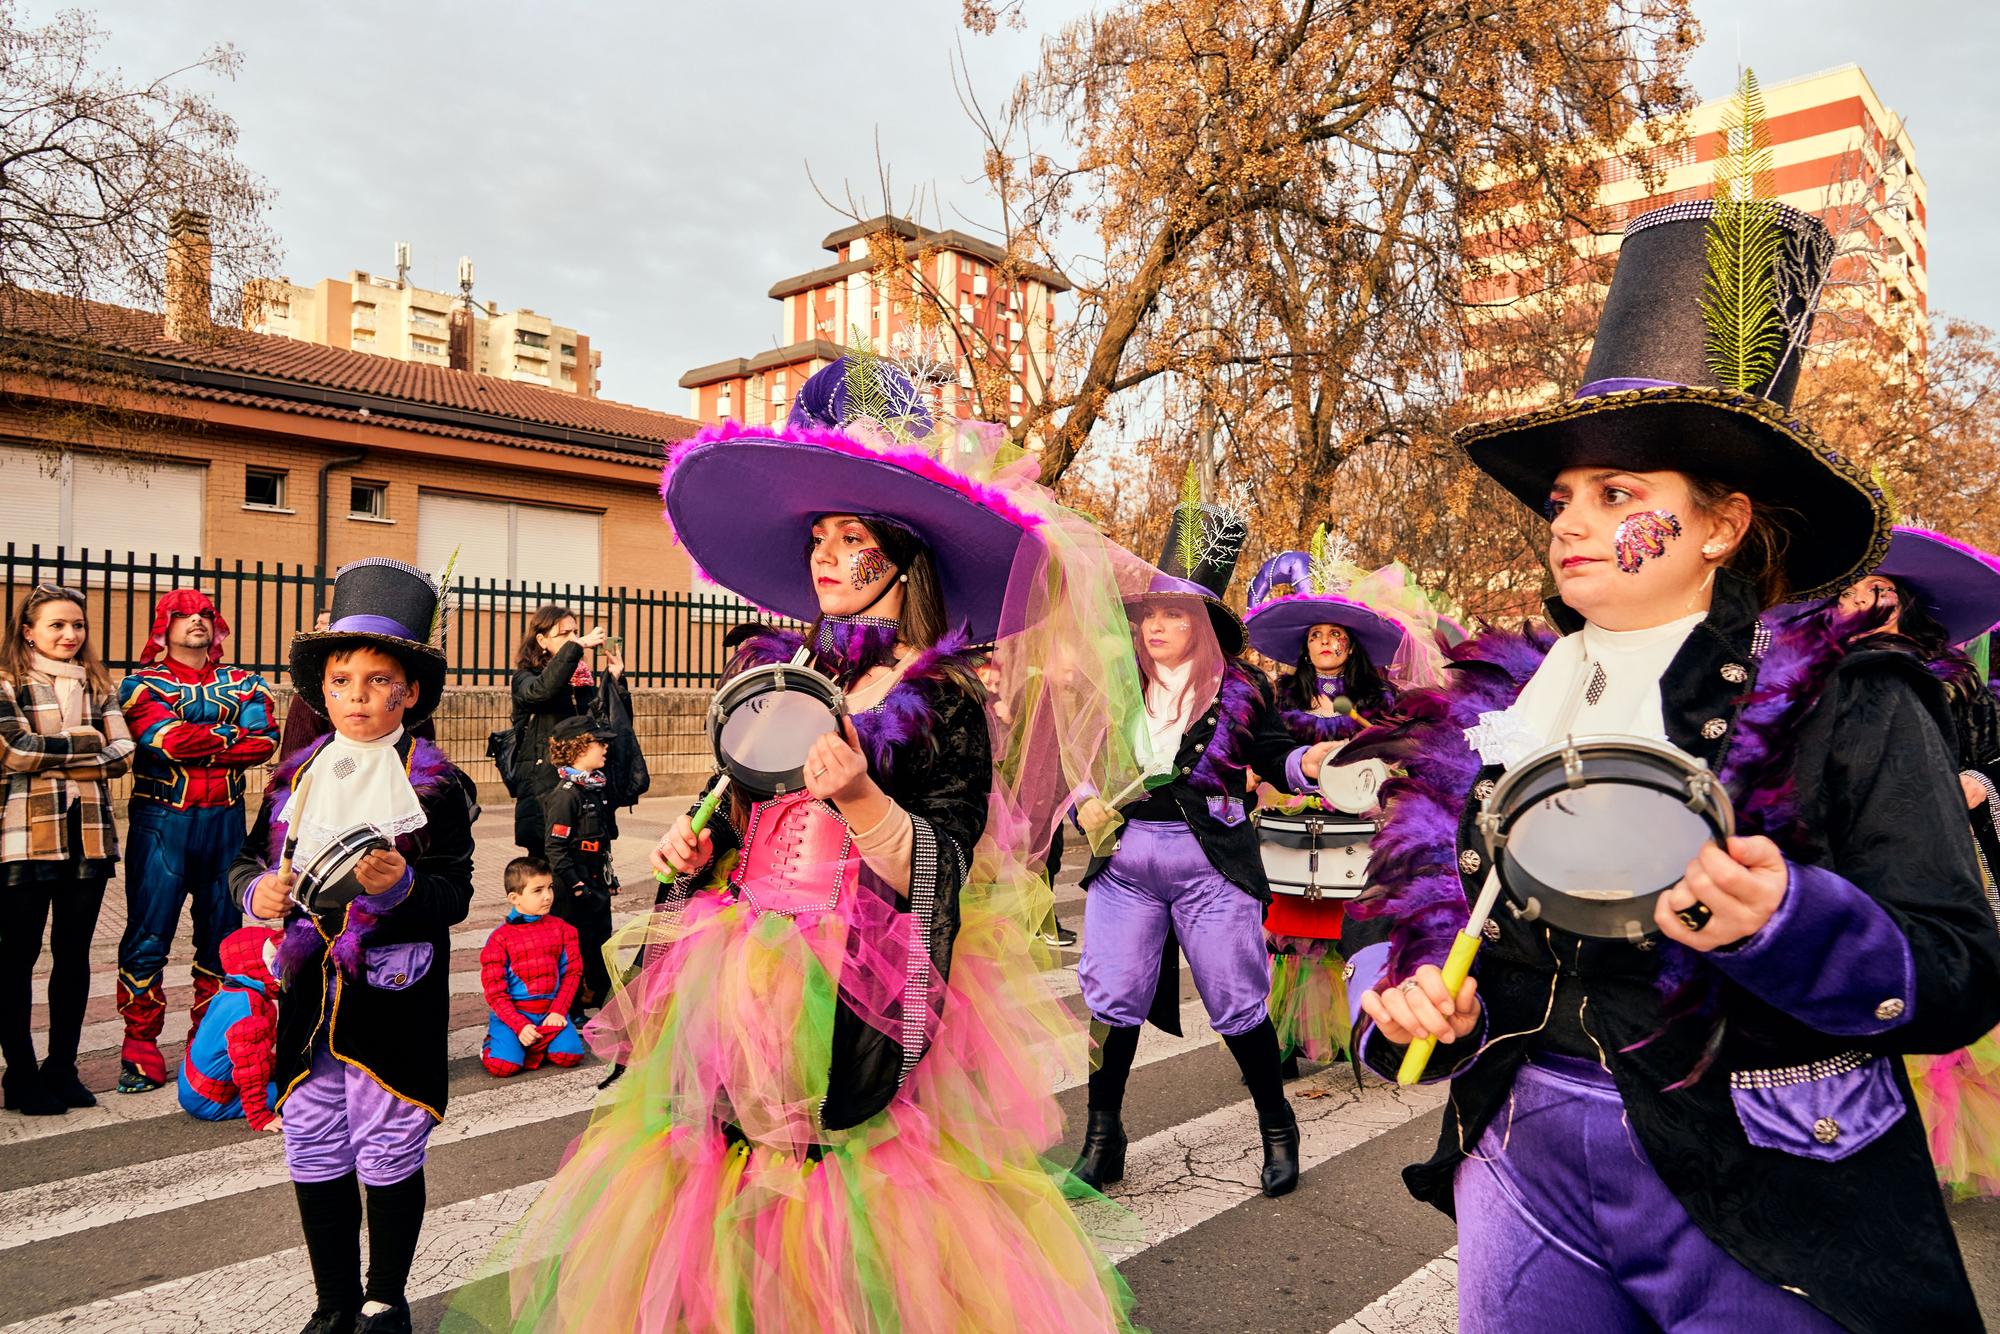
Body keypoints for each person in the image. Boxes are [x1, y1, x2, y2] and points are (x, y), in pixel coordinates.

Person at [1348, 200, 2000, 1333]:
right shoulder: (1494, 708)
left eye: (1616, 495)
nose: (1567, 522)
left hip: (1769, 1181)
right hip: (1520, 1157)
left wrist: (1787, 921)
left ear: (1719, 524)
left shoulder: (1850, 697)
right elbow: (1396, 896)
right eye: (1562, 499)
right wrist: (1395, 990)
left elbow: (1956, 969)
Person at [454, 356, 1135, 1332]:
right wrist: (704, 855)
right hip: (738, 962)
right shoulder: (789, 672)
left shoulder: (940, 703)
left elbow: (934, 869)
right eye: (817, 534)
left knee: (836, 1207)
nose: (824, 553)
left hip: (855, 978)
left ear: (900, 555)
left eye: (849, 535)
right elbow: (747, 809)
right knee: (725, 1191)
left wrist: (861, 795)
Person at [232, 557, 477, 1334]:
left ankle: (384, 1299)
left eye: (378, 681)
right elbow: (245, 861)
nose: (359, 697)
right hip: (307, 1001)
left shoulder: (437, 784)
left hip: (392, 1000)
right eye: (343, 681)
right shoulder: (295, 777)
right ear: (322, 689)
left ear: (408, 690)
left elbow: (455, 896)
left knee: (388, 1146)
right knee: (312, 1141)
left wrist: (400, 886)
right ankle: (333, 1301)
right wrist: (255, 891)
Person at [1069, 495, 1320, 1199]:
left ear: (1204, 622)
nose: (1157, 625)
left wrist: (1315, 765)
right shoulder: (1116, 687)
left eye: (1175, 612)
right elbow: (1076, 757)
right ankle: (1102, 1137)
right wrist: (1083, 799)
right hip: (1125, 865)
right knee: (1111, 997)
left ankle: (1277, 1126)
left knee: (1238, 1001)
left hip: (1212, 862)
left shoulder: (1243, 689)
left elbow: (1275, 758)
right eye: (1150, 611)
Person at [1828, 527, 2000, 1200]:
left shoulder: (1953, 683)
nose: (1862, 602)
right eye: (1850, 591)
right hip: (1850, 869)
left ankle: (1923, 1154)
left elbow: (1994, 759)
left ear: (1908, 604)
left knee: (1932, 990)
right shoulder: (1813, 682)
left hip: (1937, 863)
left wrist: (1980, 786)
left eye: (1879, 590)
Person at [1240, 546, 1437, 1074]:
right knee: (1288, 929)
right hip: (1294, 823)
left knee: (1347, 928)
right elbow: (1263, 749)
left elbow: (1397, 748)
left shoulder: (1376, 698)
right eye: (1316, 636)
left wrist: (1358, 729)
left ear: (1350, 645)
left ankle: (1353, 1027)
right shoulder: (1280, 695)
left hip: (1356, 826)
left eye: (1336, 636)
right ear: (1306, 647)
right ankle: (1280, 1040)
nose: (1326, 644)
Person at [113, 588, 280, 1094]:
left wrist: (202, 740)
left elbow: (266, 741)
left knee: (221, 938)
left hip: (226, 822)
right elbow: (163, 740)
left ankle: (204, 1043)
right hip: (162, 823)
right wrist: (230, 735)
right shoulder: (140, 684)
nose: (196, 622)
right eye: (183, 615)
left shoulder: (244, 681)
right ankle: (139, 1046)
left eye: (205, 614)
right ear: (163, 625)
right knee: (148, 935)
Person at [0, 583, 134, 1115]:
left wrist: (66, 751)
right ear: (29, 631)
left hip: (90, 833)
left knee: (73, 958)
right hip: (25, 837)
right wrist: (87, 743)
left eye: (77, 625)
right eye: (57, 625)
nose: (70, 634)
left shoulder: (100, 684)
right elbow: (13, 750)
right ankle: (21, 1075)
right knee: (16, 959)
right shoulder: (7, 683)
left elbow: (124, 752)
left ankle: (62, 1068)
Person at [508, 605, 626, 855]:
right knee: (548, 863)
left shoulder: (583, 681)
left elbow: (607, 727)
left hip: (584, 791)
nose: (573, 639)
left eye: (575, 632)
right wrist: (577, 647)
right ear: (541, 640)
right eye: (564, 634)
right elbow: (541, 691)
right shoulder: (525, 678)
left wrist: (615, 680)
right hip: (543, 787)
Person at [478, 857, 586, 1078]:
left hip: (549, 1014)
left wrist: (558, 1010)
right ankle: (493, 1042)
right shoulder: (499, 939)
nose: (548, 896)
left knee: (569, 1056)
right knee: (503, 1067)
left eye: (550, 887)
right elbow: (495, 992)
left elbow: (572, 974)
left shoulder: (564, 930)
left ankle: (535, 1045)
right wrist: (518, 1025)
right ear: (514, 898)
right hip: (513, 1016)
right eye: (538, 890)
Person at [541, 716, 619, 1016]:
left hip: (595, 880)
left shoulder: (595, 789)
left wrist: (608, 876)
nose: (605, 747)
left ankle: (594, 998)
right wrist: (576, 884)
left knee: (599, 944)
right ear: (578, 748)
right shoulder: (565, 795)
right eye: (598, 742)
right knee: (573, 949)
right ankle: (569, 1008)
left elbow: (601, 840)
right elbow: (555, 849)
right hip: (574, 887)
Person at [177, 925, 282, 1130]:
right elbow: (251, 1067)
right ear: (253, 964)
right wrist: (261, 1117)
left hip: (191, 1086)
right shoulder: (249, 1012)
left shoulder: (231, 991)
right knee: (299, 1093)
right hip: (209, 1101)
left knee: (290, 1079)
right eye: (273, 960)